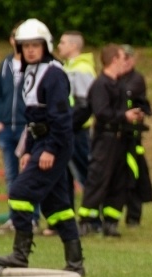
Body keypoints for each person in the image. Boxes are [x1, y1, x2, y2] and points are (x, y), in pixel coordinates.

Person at [0, 18, 84, 276]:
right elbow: (34, 118)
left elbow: (62, 119)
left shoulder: (53, 73)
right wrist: (28, 149)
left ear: (46, 46)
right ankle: (75, 263)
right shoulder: (31, 71)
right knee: (58, 207)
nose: (30, 50)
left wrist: (50, 150)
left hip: (55, 142)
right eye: (25, 45)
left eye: (35, 45)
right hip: (42, 141)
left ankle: (20, 254)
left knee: (19, 192)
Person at [78, 44, 145, 238]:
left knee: (119, 181)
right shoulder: (101, 84)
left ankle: (111, 222)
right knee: (98, 178)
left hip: (122, 139)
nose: (126, 61)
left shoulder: (120, 84)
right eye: (123, 57)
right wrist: (124, 116)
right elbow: (101, 112)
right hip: (105, 139)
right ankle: (86, 221)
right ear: (114, 59)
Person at [0, 22, 33, 230]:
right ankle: (14, 217)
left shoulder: (34, 65)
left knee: (28, 173)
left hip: (26, 127)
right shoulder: (5, 64)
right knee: (11, 174)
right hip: (7, 127)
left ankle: (32, 217)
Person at [119, 44, 152, 228]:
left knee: (134, 175)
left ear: (132, 60)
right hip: (114, 136)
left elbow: (142, 104)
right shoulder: (112, 76)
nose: (122, 62)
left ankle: (133, 216)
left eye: (126, 58)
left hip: (132, 137)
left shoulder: (136, 79)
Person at [57, 30, 95, 191]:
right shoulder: (66, 67)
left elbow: (85, 104)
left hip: (78, 131)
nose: (58, 46)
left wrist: (69, 124)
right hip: (68, 128)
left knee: (85, 173)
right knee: (65, 177)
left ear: (73, 46)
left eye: (62, 42)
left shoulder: (82, 69)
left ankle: (94, 212)